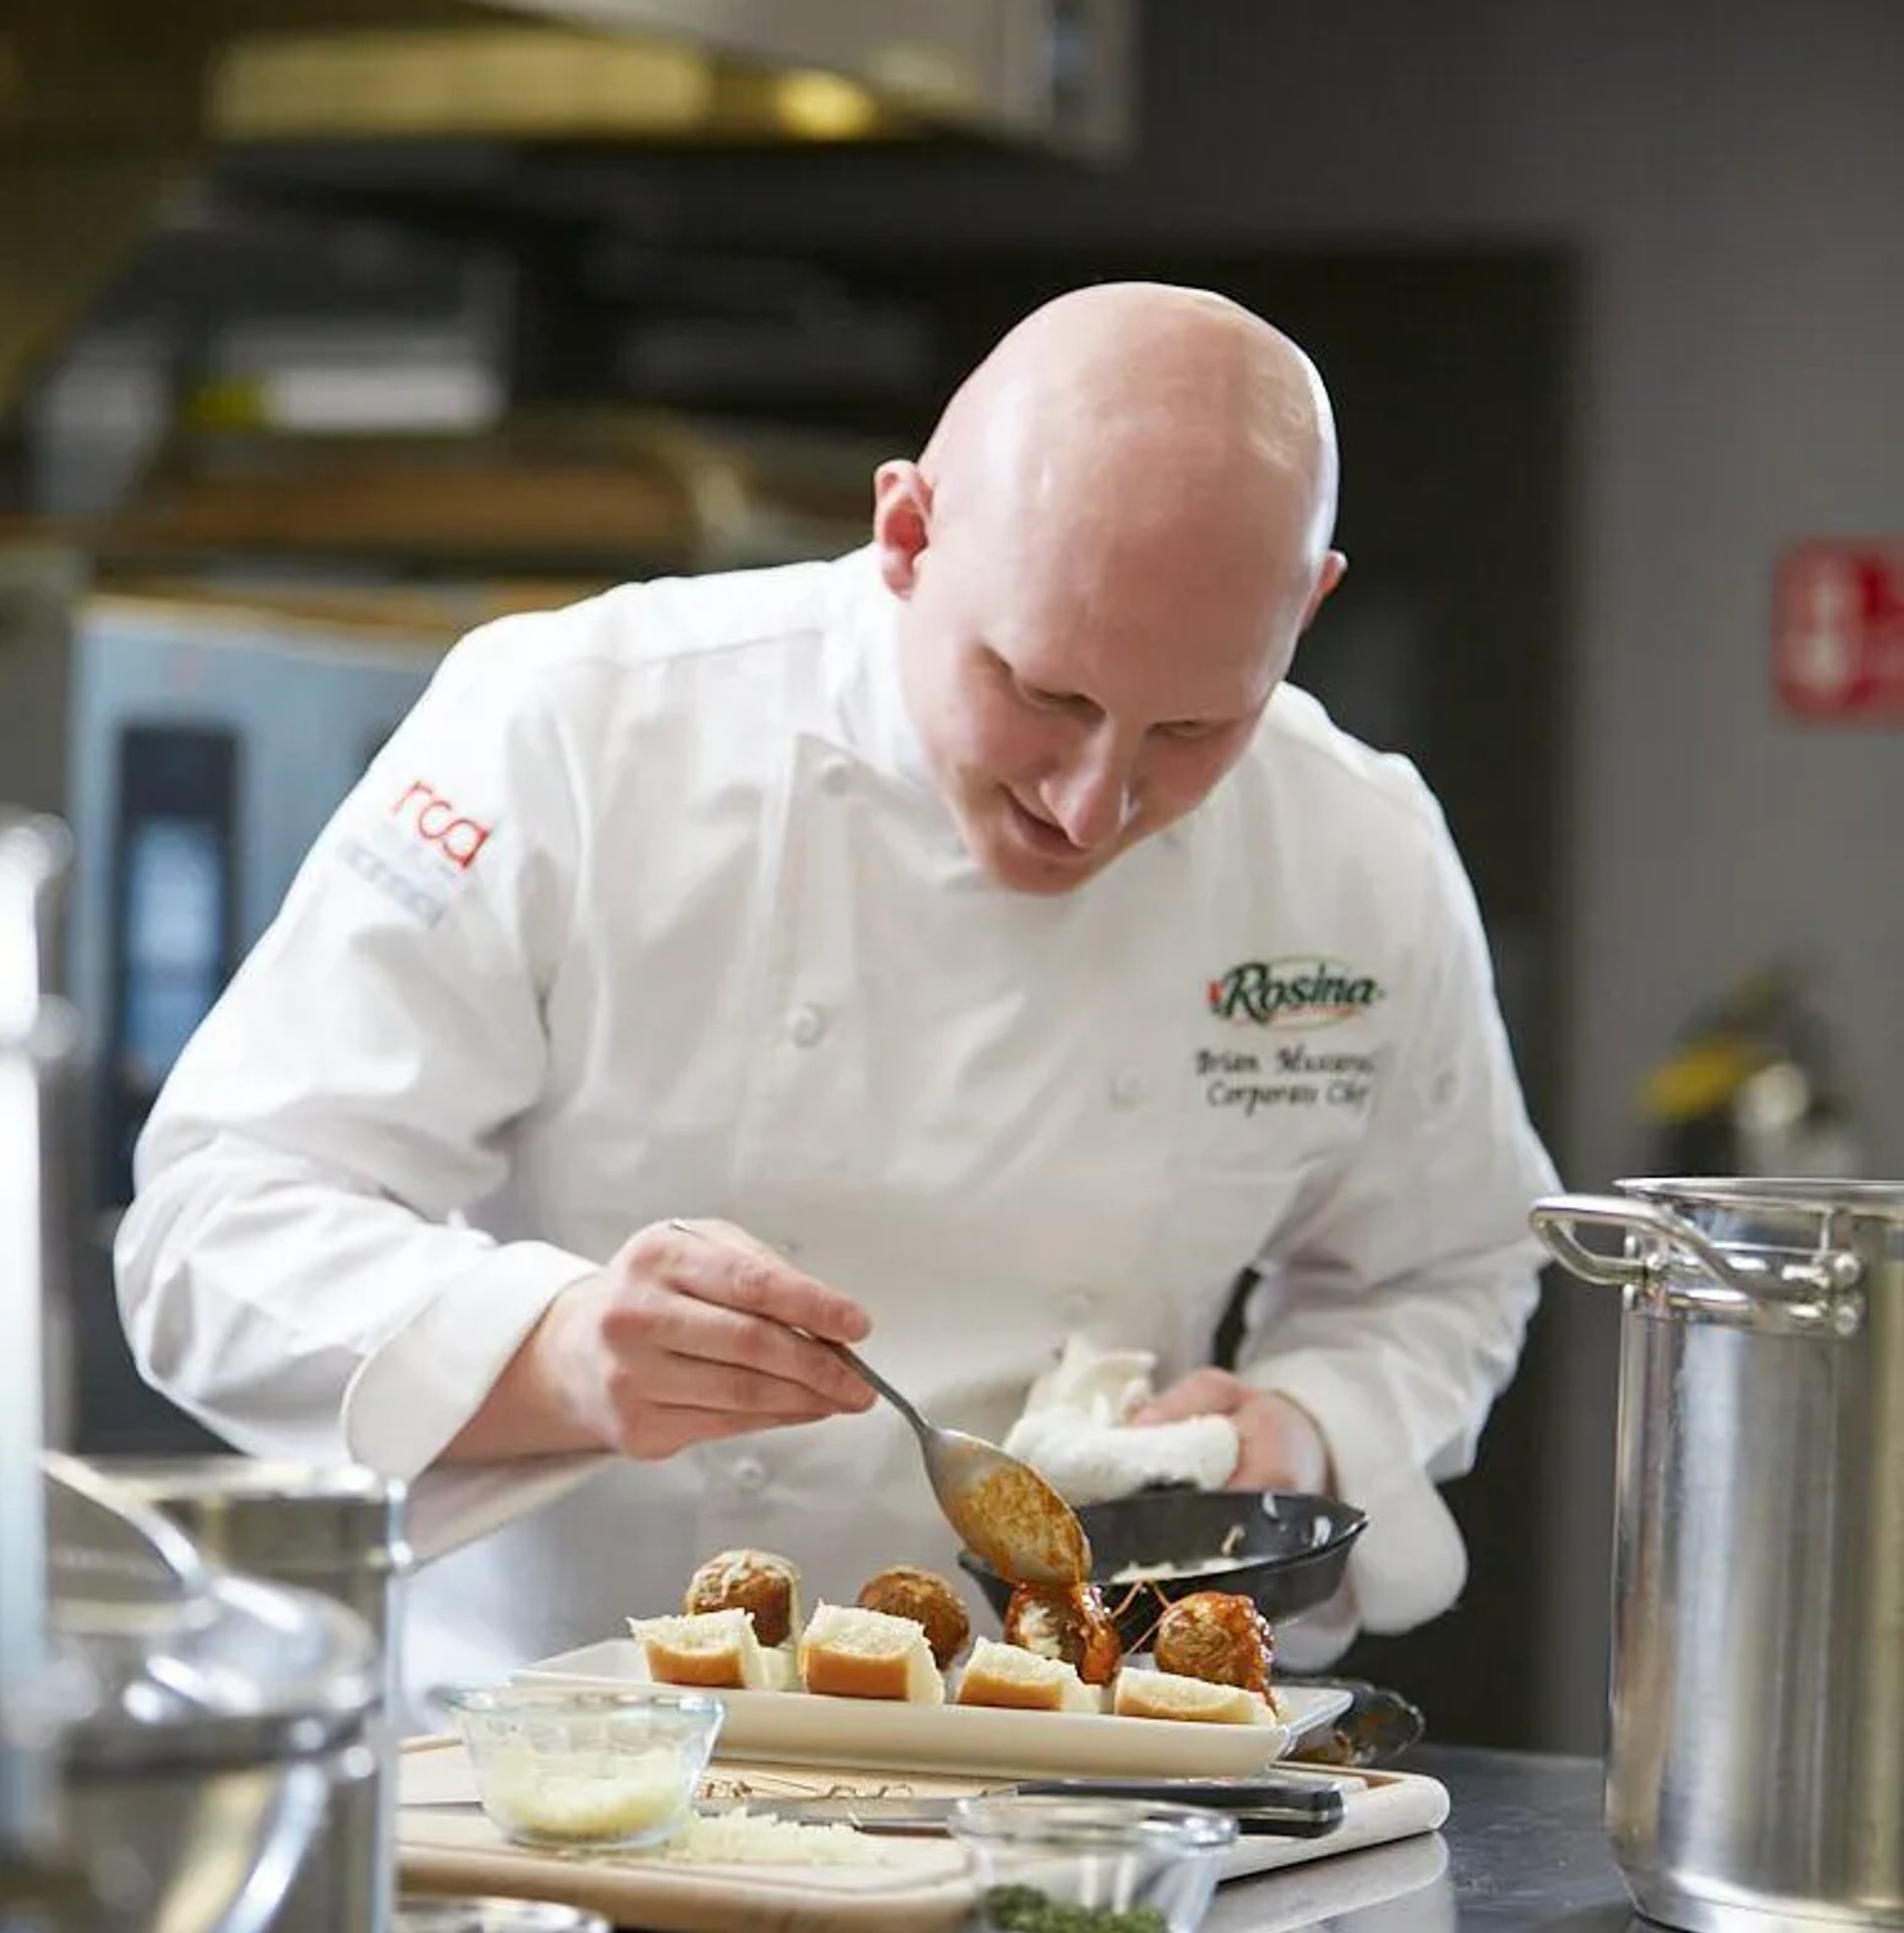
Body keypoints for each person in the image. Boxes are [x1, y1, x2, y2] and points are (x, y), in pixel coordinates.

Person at [116, 283, 1558, 1706]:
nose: (1090, 799)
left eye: (1192, 726)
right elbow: (210, 1225)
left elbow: (1449, 1267)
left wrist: (1305, 1430)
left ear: (1308, 607)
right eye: (1044, 693)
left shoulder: (1354, 846)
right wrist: (553, 1353)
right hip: (557, 1771)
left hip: (1064, 1777)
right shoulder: (576, 724)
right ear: (908, 534)